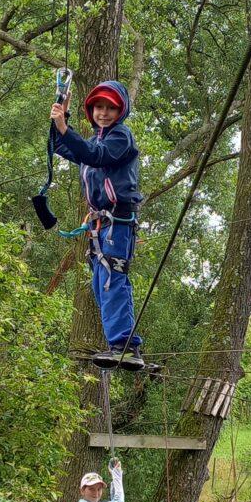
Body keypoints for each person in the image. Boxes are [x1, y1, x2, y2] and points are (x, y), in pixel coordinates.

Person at [51, 80, 144, 366]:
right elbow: (60, 145)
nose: (103, 113)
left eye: (110, 108)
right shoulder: (93, 141)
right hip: (100, 224)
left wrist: (65, 128)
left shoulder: (121, 137)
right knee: (99, 282)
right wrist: (62, 115)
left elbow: (95, 156)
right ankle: (118, 345)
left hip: (118, 221)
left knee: (112, 278)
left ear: (120, 111)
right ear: (91, 110)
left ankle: (124, 345)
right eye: (98, 107)